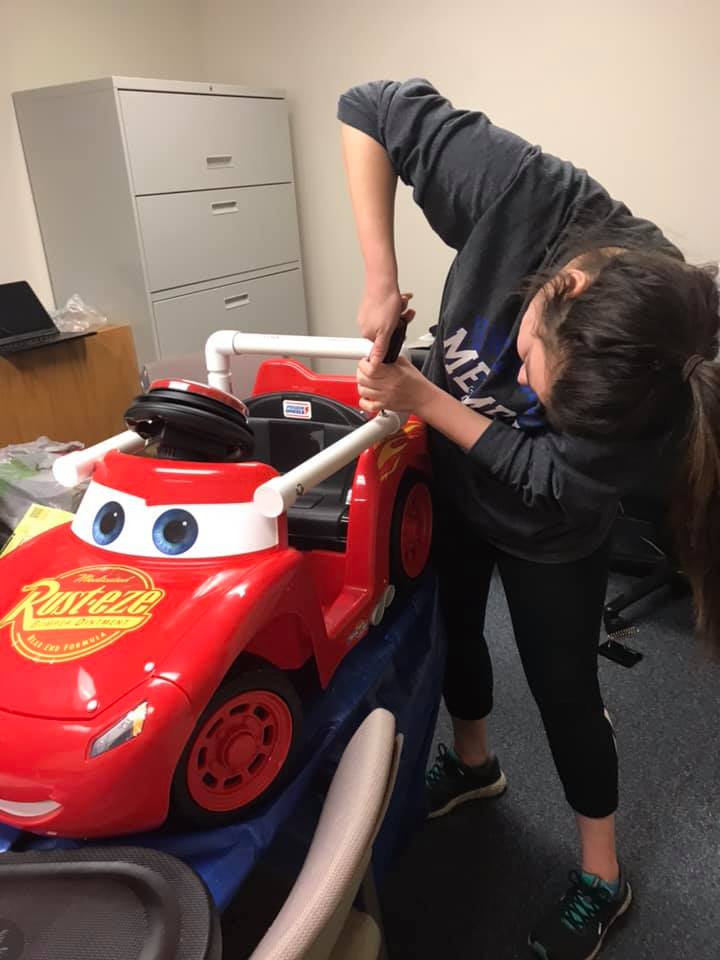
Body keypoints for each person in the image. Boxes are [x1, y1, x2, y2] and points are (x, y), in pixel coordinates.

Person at [337, 78, 720, 960]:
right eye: (534, 351)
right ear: (570, 281)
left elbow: (545, 473)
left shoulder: (658, 392)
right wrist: (379, 279)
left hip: (553, 532)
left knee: (564, 692)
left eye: (531, 375)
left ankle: (601, 875)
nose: (514, 363)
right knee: (456, 632)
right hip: (459, 483)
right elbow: (370, 108)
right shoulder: (530, 198)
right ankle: (475, 766)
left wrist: (427, 396)